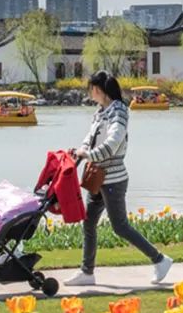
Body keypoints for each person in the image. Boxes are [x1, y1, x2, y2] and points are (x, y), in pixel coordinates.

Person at [65, 70, 174, 286]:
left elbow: (114, 142)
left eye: (91, 89)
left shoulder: (119, 112)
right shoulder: (100, 112)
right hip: (97, 178)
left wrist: (90, 155)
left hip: (113, 179)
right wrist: (80, 150)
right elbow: (91, 138)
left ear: (98, 90)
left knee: (120, 226)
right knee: (88, 223)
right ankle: (87, 272)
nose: (90, 93)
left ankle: (160, 260)